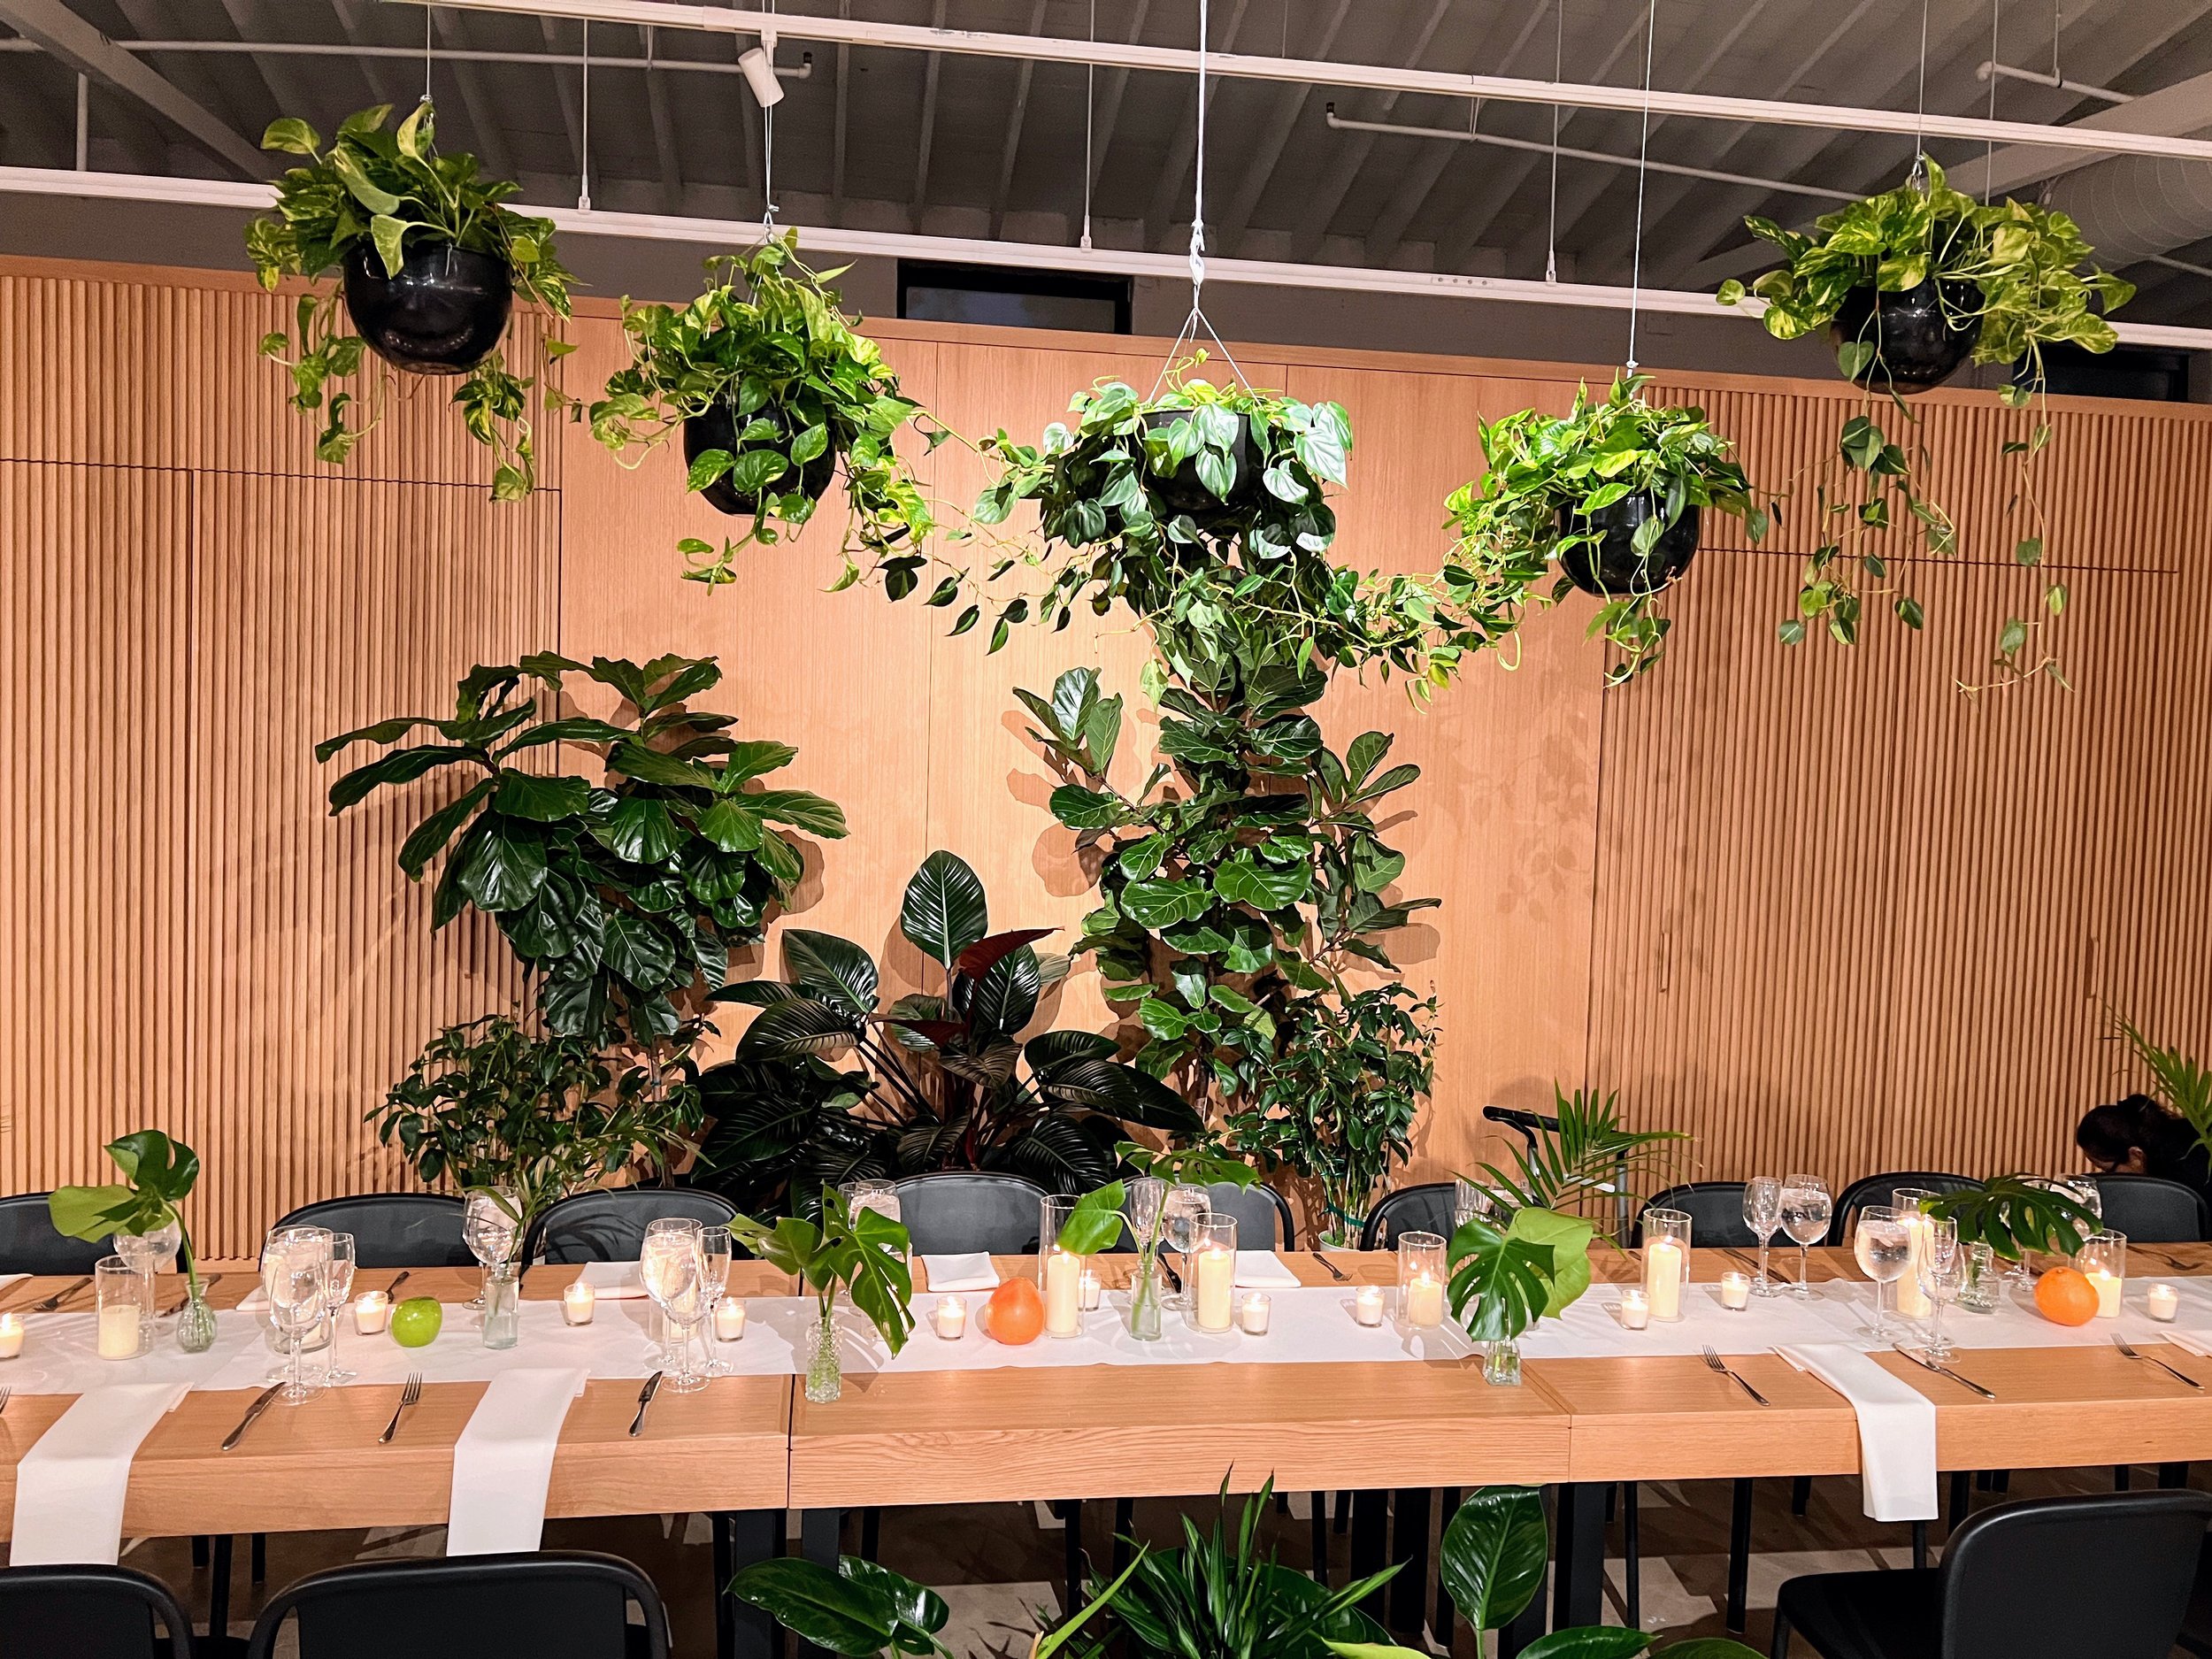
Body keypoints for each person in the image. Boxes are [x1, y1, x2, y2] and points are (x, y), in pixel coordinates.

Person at [2076, 1093, 2212, 1204]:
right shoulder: (2177, 1138)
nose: (2109, 1178)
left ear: (2136, 1155)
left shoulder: (2186, 1175)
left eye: (2108, 1170)